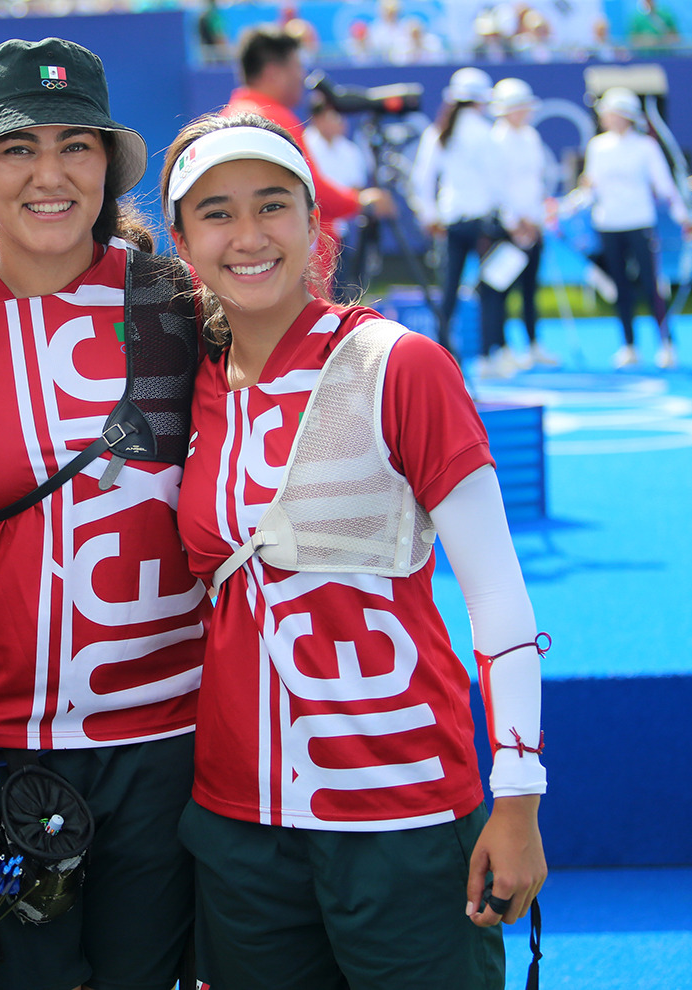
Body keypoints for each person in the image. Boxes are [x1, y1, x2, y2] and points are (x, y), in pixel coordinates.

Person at [161, 111, 548, 990]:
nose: (249, 236)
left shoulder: (399, 364)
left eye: (273, 206)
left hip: (401, 806)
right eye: (217, 213)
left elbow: (497, 595)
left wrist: (519, 793)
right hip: (239, 820)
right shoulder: (188, 388)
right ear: (182, 239)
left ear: (314, 223)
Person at [0, 37, 207, 990]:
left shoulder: (177, 302)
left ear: (108, 167)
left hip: (159, 740)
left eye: (77, 147)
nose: (49, 175)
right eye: (19, 149)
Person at [227, 26, 392, 284]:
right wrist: (363, 202)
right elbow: (315, 194)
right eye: (296, 67)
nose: (301, 76)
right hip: (286, 271)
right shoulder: (274, 118)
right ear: (273, 72)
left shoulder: (230, 115)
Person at [567, 86, 692, 369]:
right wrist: (565, 208)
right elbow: (590, 188)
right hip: (608, 225)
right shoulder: (597, 146)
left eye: (611, 113)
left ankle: (666, 345)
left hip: (639, 223)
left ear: (625, 117)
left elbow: (665, 186)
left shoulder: (646, 147)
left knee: (651, 285)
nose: (606, 118)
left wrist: (683, 216)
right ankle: (628, 346)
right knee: (620, 288)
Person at [410, 67, 507, 369]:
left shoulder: (438, 130)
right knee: (491, 289)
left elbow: (421, 180)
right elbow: (497, 184)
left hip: (452, 221)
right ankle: (492, 355)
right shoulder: (487, 133)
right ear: (480, 100)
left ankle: (441, 357)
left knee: (448, 290)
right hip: (483, 225)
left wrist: (429, 215)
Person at [489, 76, 559, 368]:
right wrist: (514, 223)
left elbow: (536, 180)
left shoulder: (531, 136)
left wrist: (536, 219)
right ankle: (502, 347)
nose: (523, 112)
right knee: (502, 289)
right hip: (506, 228)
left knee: (530, 288)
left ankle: (532, 344)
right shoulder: (495, 140)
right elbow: (495, 186)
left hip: (533, 224)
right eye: (517, 107)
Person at [301, 87, 373, 291]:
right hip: (308, 230)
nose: (339, 121)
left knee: (341, 291)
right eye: (332, 116)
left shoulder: (350, 151)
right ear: (317, 118)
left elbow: (356, 189)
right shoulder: (303, 145)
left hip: (341, 233)